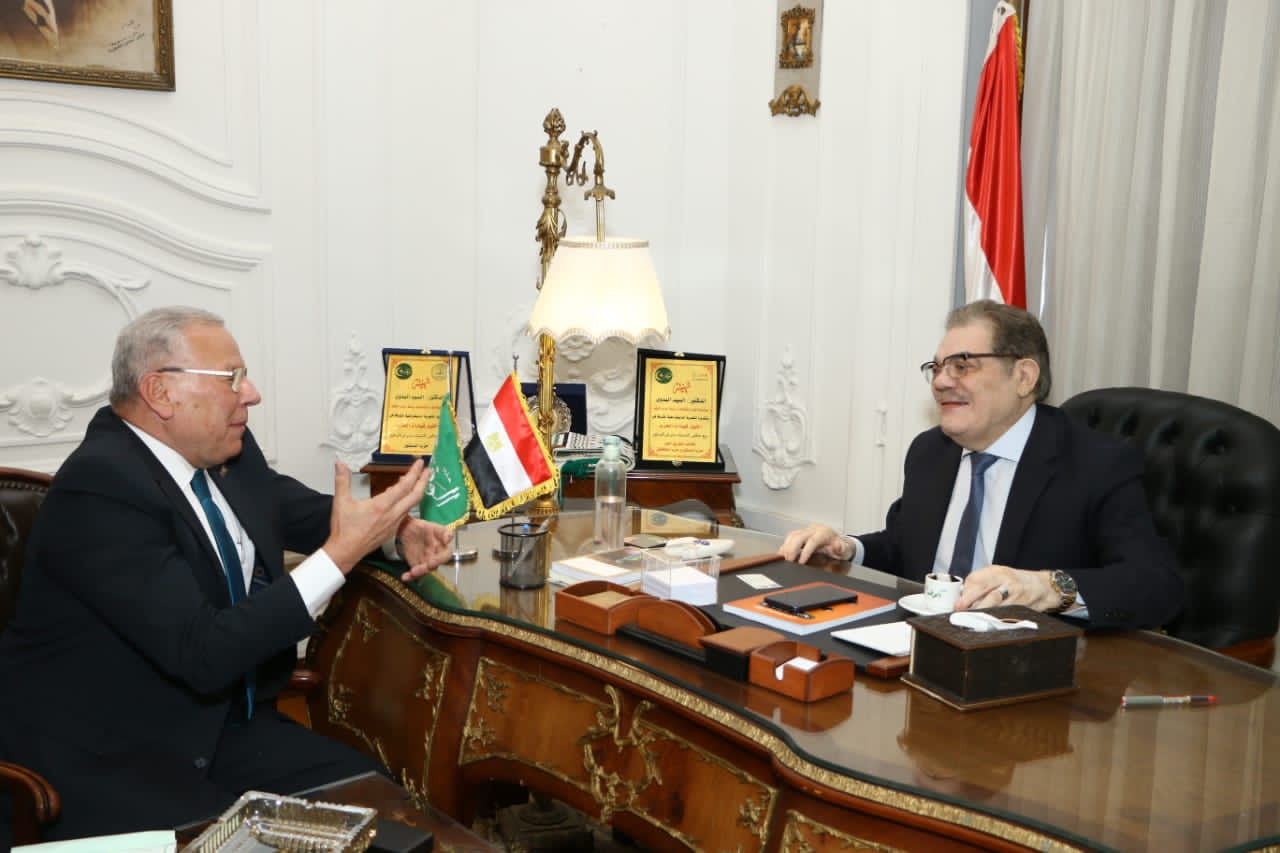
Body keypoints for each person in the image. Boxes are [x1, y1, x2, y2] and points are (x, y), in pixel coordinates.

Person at [0, 306, 455, 843]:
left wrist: (394, 531)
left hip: (224, 729)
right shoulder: (100, 487)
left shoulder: (222, 450)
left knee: (386, 817)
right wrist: (338, 556)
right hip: (114, 754)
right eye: (232, 378)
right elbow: (203, 652)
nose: (252, 394)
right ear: (160, 392)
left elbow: (285, 506)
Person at [779, 300, 1183, 629]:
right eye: (937, 368)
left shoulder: (1096, 463)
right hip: (920, 650)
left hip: (1028, 671)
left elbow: (1155, 585)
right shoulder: (930, 452)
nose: (941, 381)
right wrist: (848, 548)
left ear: (1023, 377)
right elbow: (906, 547)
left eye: (962, 365)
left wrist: (1048, 587)